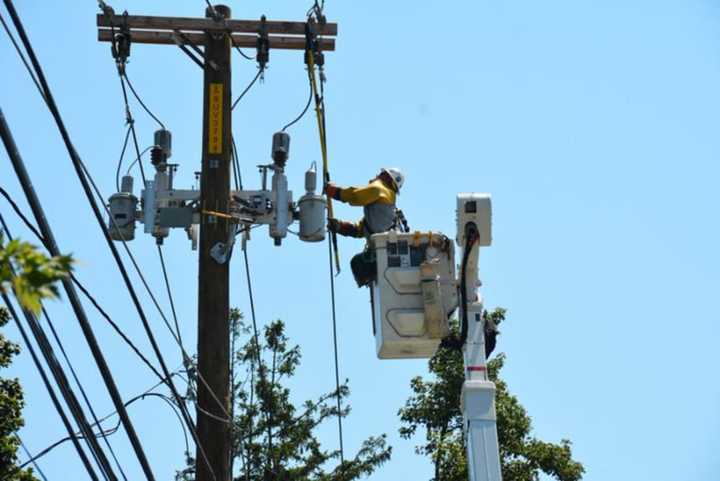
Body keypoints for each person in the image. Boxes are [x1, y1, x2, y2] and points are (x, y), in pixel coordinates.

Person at [325, 167, 405, 287]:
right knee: (357, 263)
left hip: (385, 253)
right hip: (387, 254)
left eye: (380, 174)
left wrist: (334, 191)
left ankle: (373, 279)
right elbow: (360, 230)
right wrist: (339, 226)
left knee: (357, 263)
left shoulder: (380, 188)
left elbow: (356, 196)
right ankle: (375, 280)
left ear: (386, 177)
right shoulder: (381, 207)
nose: (376, 176)